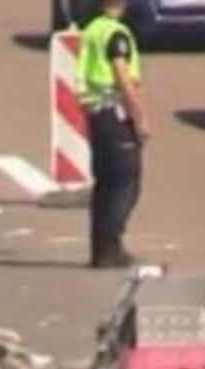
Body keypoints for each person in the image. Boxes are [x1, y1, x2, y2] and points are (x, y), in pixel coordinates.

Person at [76, 0, 149, 268]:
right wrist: (139, 117)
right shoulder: (116, 34)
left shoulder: (93, 29)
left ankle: (101, 249)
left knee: (106, 183)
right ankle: (110, 247)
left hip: (97, 114)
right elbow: (122, 77)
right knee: (124, 183)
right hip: (114, 112)